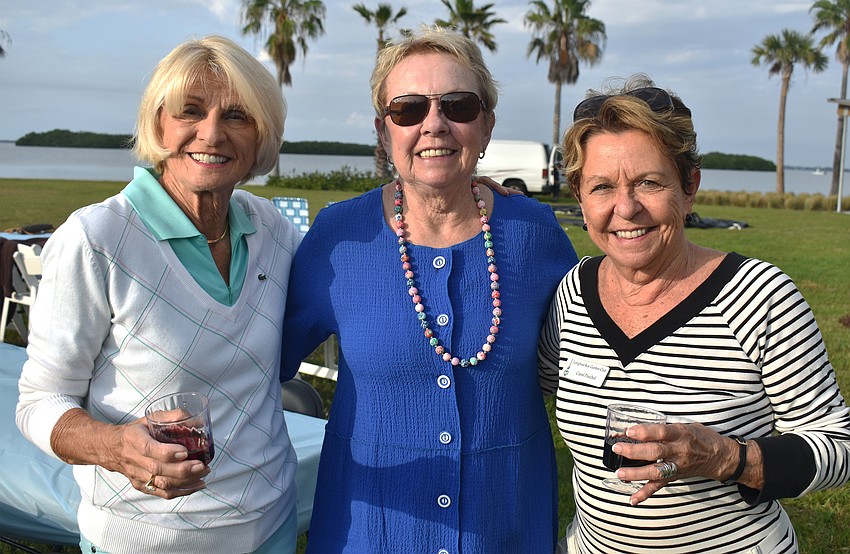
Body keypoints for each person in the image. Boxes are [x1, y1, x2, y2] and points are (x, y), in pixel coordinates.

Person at [282, 26, 579, 553]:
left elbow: (597, 362)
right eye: (409, 109)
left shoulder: (535, 235)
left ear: (485, 127)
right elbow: (257, 361)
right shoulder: (339, 237)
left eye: (459, 106)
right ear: (384, 131)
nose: (434, 125)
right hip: (369, 535)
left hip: (506, 533)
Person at [539, 74, 850, 553]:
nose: (626, 208)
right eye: (601, 186)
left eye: (648, 182)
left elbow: (840, 446)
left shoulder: (759, 296)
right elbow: (517, 390)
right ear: (579, 198)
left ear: (689, 188)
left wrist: (728, 458)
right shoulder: (573, 294)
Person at [16, 35, 302, 554]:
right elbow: (39, 402)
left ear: (263, 134)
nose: (211, 133)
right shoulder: (96, 239)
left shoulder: (271, 229)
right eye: (189, 111)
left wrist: (468, 198)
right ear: (158, 124)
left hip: (271, 526)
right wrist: (115, 447)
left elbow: (363, 260)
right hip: (145, 540)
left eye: (237, 116)